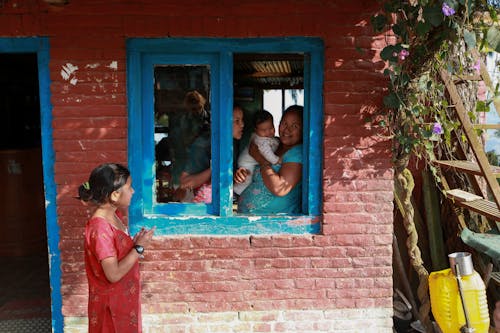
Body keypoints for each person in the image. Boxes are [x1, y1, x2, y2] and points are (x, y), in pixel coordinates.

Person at [78, 163, 155, 333]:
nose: (133, 191)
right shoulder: (100, 229)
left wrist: (133, 245)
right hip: (110, 307)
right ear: (114, 195)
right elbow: (113, 274)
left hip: (124, 300)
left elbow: (118, 253)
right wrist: (139, 249)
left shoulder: (115, 216)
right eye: (129, 187)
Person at [237, 105, 303, 214]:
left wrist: (261, 160)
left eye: (295, 126)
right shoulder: (273, 144)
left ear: (303, 130)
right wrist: (243, 173)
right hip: (249, 219)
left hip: (275, 223)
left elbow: (279, 188)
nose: (287, 129)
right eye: (284, 123)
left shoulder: (297, 153)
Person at [179, 105, 246, 203]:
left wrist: (237, 175)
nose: (242, 124)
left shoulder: (231, 143)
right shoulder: (203, 145)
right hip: (197, 208)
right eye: (237, 121)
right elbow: (185, 183)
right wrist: (215, 168)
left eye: (242, 120)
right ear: (223, 123)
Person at [233, 110, 280, 196]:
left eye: (271, 128)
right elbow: (267, 153)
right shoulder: (259, 140)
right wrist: (277, 161)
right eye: (264, 130)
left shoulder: (265, 137)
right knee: (247, 179)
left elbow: (273, 142)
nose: (268, 132)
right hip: (247, 163)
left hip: (252, 162)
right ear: (256, 130)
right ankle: (238, 192)